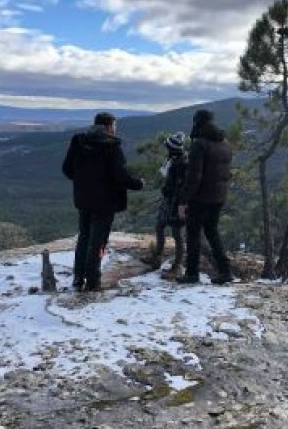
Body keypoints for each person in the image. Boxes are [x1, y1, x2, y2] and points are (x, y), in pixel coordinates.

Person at [62, 112, 144, 292]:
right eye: (114, 126)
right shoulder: (111, 146)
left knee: (83, 238)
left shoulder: (79, 142)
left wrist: (83, 182)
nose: (115, 129)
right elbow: (121, 176)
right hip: (106, 202)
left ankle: (78, 278)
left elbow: (67, 169)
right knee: (98, 242)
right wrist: (139, 184)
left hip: (83, 199)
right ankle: (93, 281)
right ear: (108, 126)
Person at [177, 109, 234, 284]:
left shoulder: (199, 144)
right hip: (219, 196)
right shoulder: (225, 142)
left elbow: (194, 177)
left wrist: (183, 200)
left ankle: (192, 273)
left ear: (197, 122)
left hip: (200, 197)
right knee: (212, 231)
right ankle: (225, 271)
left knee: (193, 233)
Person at [148, 132, 188, 278]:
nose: (166, 149)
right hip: (170, 200)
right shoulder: (174, 159)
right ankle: (157, 258)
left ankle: (177, 267)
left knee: (177, 234)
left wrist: (181, 204)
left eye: (168, 147)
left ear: (172, 148)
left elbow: (182, 186)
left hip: (177, 202)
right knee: (160, 225)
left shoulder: (182, 163)